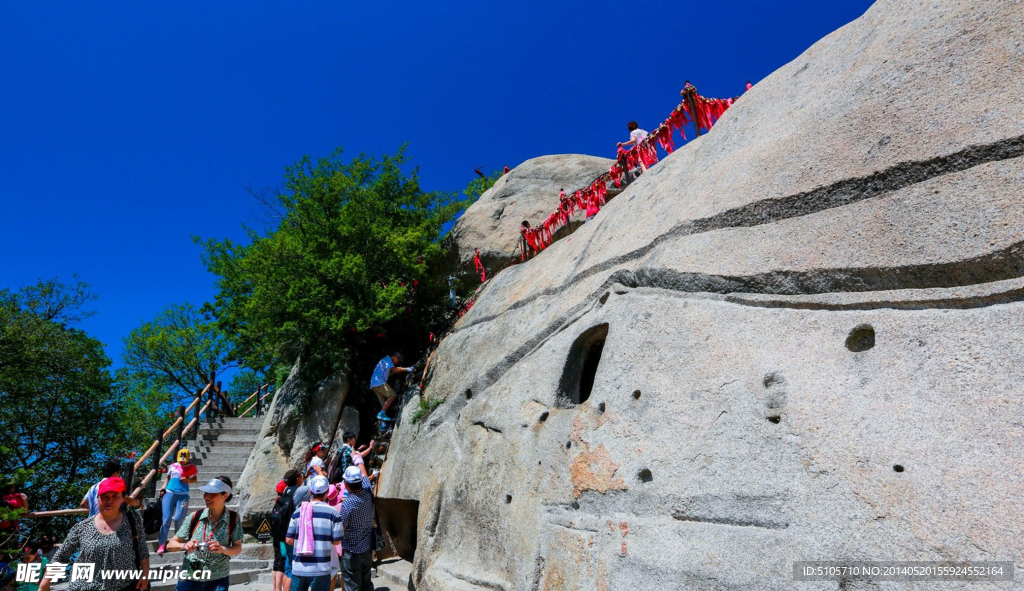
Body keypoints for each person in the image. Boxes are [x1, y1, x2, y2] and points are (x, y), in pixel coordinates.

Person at [39, 477, 149, 591]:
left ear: (123, 498)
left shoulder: (132, 520)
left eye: (115, 496)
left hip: (124, 586)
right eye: (104, 497)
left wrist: (145, 572)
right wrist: (44, 584)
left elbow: (141, 548)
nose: (109, 500)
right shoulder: (82, 527)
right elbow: (61, 556)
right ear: (98, 498)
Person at [165, 477, 243, 591]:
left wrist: (222, 549)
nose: (206, 497)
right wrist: (184, 545)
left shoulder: (233, 519)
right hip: (189, 578)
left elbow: (238, 548)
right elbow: (170, 544)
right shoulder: (195, 516)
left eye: (212, 494)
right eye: (206, 492)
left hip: (218, 580)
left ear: (225, 495)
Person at [285, 475, 343, 591]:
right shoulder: (334, 513)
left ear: (311, 491)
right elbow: (337, 541)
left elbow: (289, 540)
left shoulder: (298, 512)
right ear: (327, 491)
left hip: (299, 567)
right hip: (321, 568)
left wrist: (305, 543)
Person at [337, 467, 376, 591]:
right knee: (367, 583)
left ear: (346, 484)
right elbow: (365, 476)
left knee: (352, 586)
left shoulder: (347, 504)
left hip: (351, 552)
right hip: (367, 549)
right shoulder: (368, 492)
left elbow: (341, 528)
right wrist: (357, 458)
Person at [156, 449, 198, 554]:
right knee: (166, 519)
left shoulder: (191, 467)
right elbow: (168, 477)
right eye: (180, 459)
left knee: (179, 518)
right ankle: (162, 543)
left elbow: (195, 479)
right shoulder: (173, 466)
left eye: (183, 459)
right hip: (169, 493)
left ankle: (178, 541)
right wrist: (163, 488)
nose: (181, 461)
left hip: (183, 495)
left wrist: (187, 479)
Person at [271, 481, 288, 591]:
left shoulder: (276, 503)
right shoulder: (285, 503)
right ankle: (278, 589)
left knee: (276, 563)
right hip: (283, 538)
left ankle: (275, 588)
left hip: (276, 537)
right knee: (282, 563)